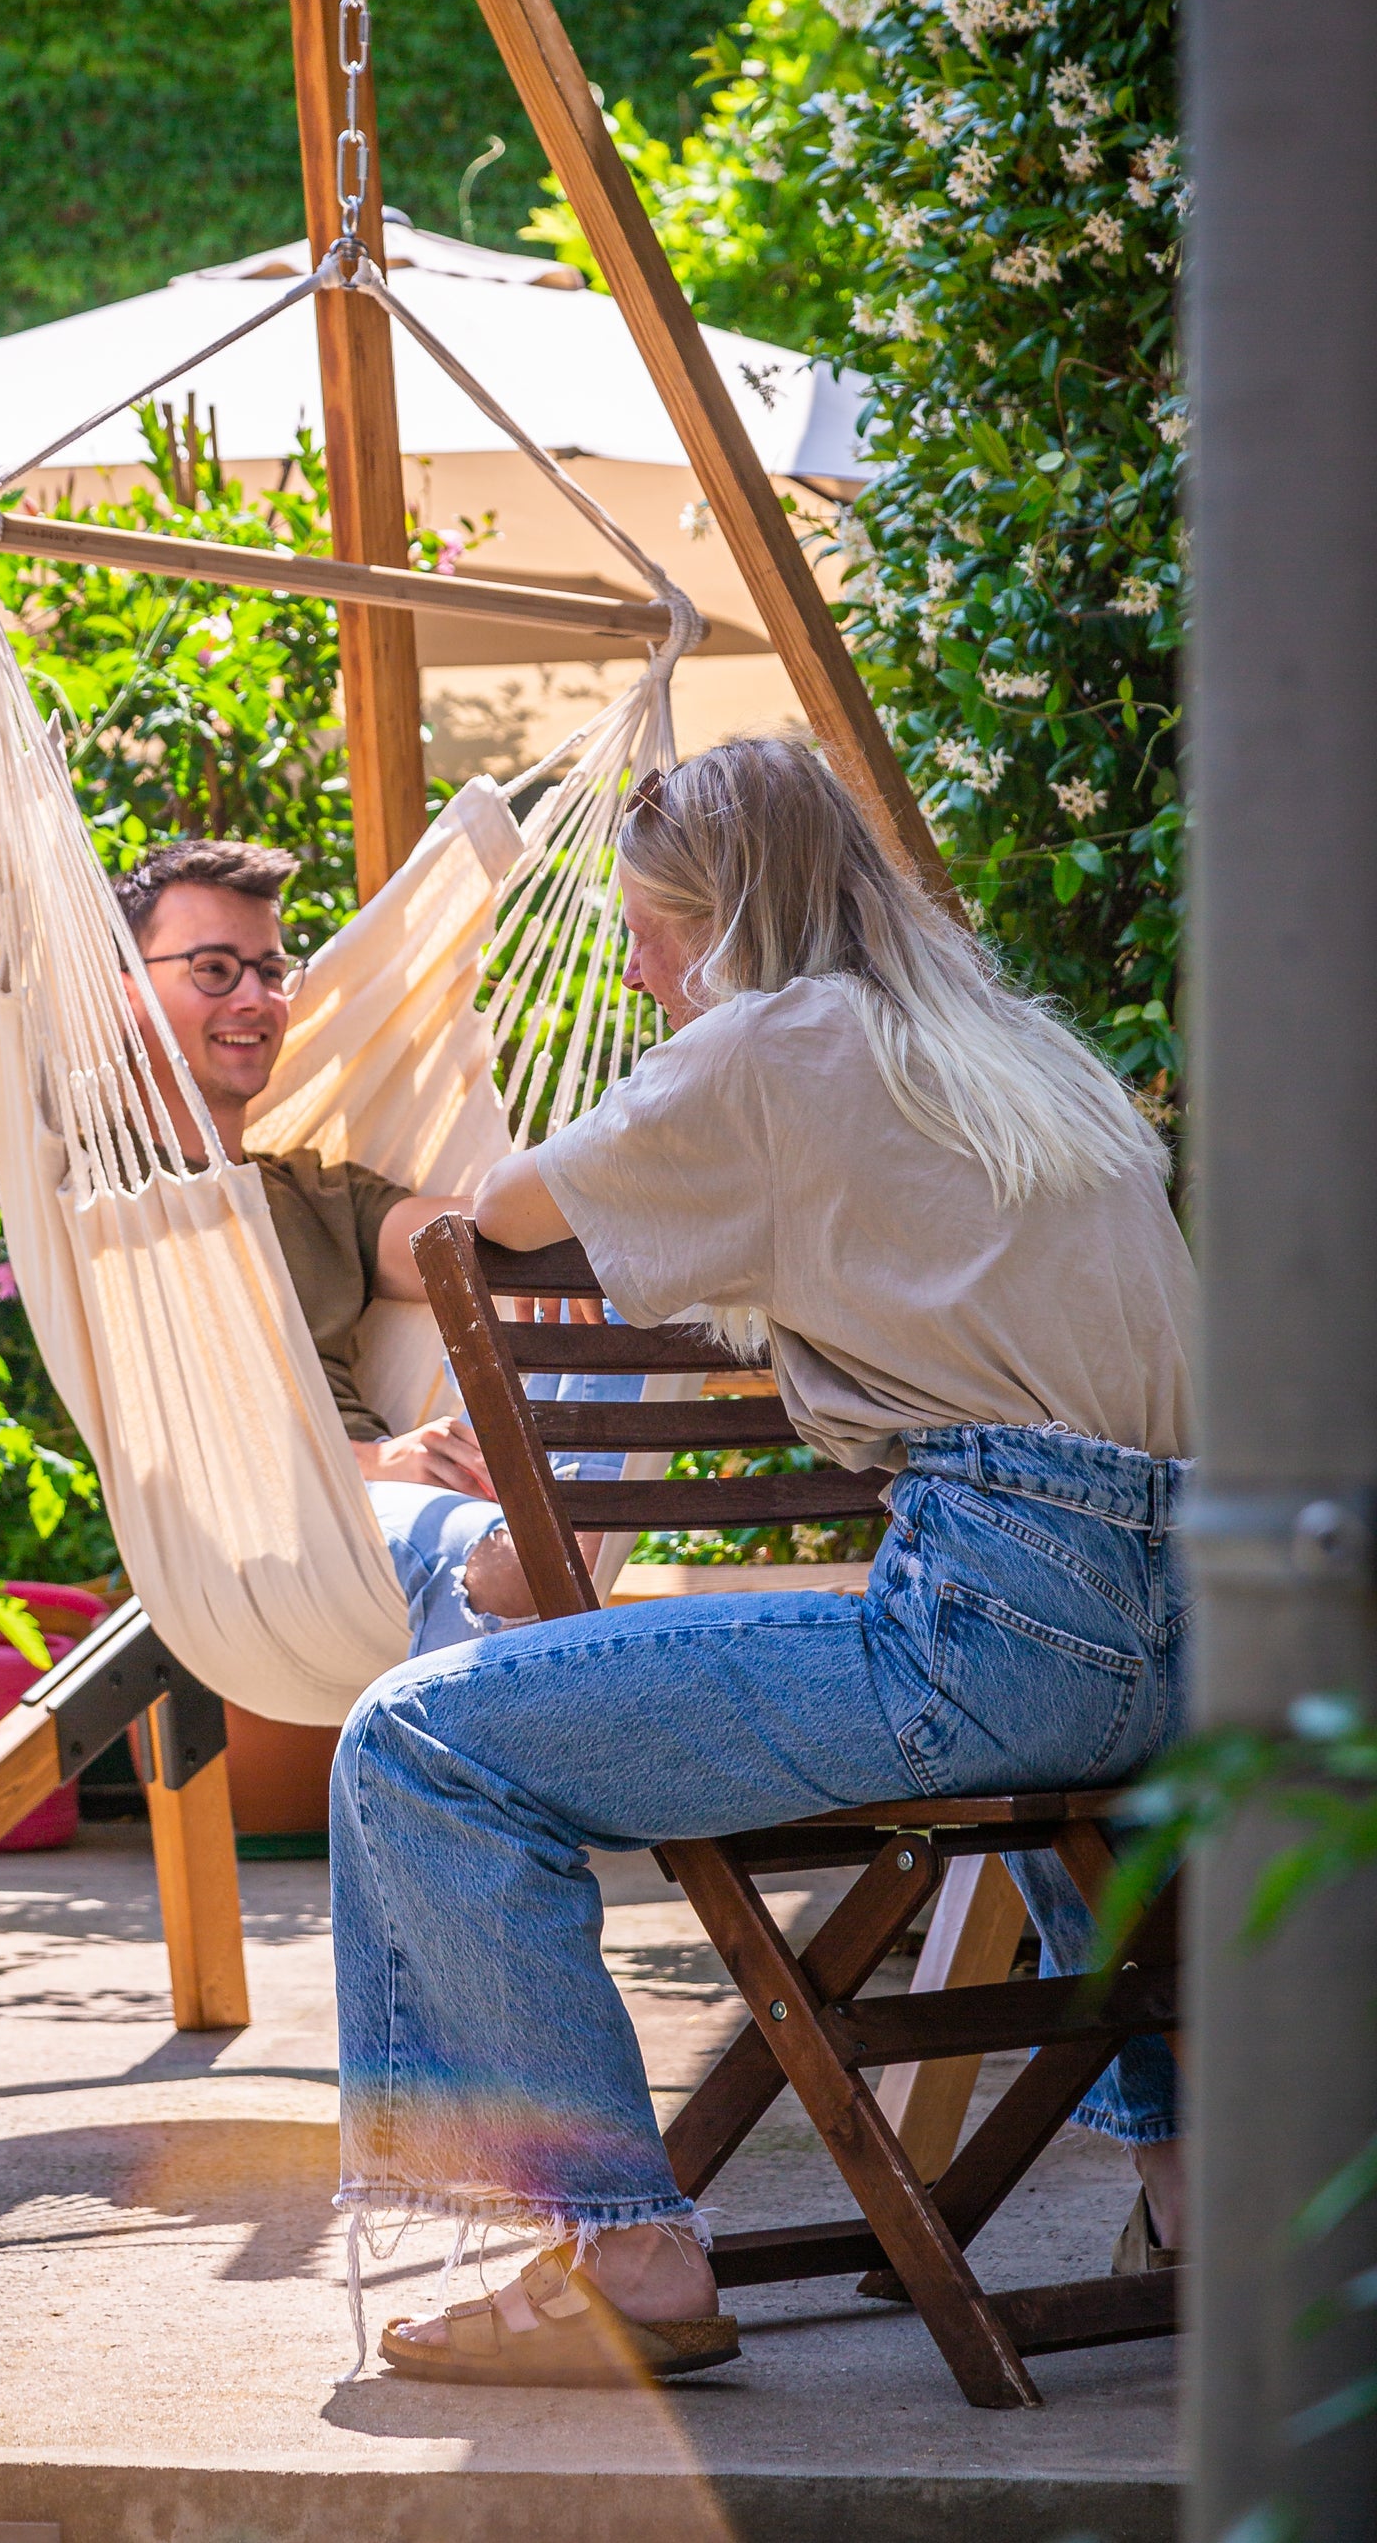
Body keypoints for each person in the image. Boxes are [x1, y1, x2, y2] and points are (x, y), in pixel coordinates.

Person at [330, 736, 1195, 2387]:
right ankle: (1193, 2194)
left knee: (419, 1741)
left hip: (1008, 1629)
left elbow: (501, 1210)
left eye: (646, 933)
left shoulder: (773, 1044)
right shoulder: (1022, 1054)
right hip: (1199, 1636)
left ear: (723, 921)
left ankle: (626, 2254)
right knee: (1064, 1774)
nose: (636, 974)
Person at [115, 838, 625, 1651]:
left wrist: (593, 1207)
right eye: (214, 969)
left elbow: (485, 1233)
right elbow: (166, 1439)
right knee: (513, 1565)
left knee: (617, 1260)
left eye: (270, 971)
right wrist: (367, 1463)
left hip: (396, 1514)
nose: (255, 998)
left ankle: (552, 1546)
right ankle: (544, 1561)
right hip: (280, 1526)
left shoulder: (313, 1195)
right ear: (125, 991)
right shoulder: (103, 1213)